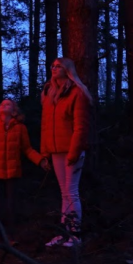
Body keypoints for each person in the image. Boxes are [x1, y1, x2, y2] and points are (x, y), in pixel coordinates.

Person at [41, 57, 92, 248]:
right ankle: (64, 233)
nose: (54, 68)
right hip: (55, 151)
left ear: (67, 69)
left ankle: (75, 234)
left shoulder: (77, 93)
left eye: (58, 66)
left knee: (71, 191)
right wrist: (45, 150)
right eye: (52, 66)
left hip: (71, 150)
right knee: (64, 192)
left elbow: (81, 126)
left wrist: (74, 151)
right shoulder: (49, 92)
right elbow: (46, 125)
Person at [0, 99, 50, 238]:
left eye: (8, 104)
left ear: (14, 111)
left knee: (11, 206)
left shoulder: (20, 128)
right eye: (2, 104)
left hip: (13, 173)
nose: (4, 105)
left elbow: (27, 149)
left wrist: (40, 160)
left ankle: (10, 238)